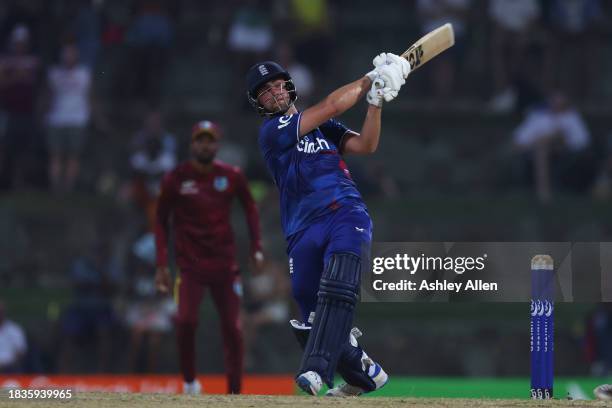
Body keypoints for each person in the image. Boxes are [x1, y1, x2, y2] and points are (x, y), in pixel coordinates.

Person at [245, 53, 410, 396]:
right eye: (265, 91)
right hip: (302, 228)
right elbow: (334, 104)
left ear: (289, 87)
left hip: (345, 211)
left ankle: (316, 370)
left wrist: (376, 102)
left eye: (278, 85)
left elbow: (366, 144)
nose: (274, 93)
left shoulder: (325, 129)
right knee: (308, 323)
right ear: (258, 102)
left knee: (338, 285)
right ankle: (367, 374)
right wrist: (370, 79)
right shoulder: (272, 133)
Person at [154, 120, 264, 394]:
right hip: (190, 267)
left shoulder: (231, 176)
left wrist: (256, 247)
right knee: (186, 321)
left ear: (218, 144)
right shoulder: (175, 178)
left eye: (210, 140)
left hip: (225, 266)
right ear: (192, 145)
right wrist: (161, 265)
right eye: (201, 140)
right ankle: (191, 383)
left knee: (234, 328)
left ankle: (235, 391)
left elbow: (250, 208)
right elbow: (160, 221)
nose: (205, 145)